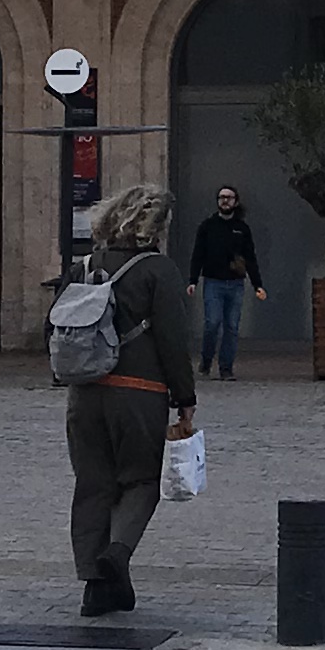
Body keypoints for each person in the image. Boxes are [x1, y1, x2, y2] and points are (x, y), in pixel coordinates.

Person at [67, 182, 196, 617]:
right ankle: (117, 554)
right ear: (156, 225)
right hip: (139, 393)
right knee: (141, 480)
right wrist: (185, 397)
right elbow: (173, 341)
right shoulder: (159, 270)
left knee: (92, 485)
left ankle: (94, 587)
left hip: (85, 394)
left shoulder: (84, 265)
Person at [189, 183, 267, 381]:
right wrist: (193, 280)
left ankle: (226, 368)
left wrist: (258, 284)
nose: (225, 200)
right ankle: (206, 359)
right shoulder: (207, 226)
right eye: (222, 197)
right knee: (212, 323)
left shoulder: (242, 229)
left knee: (231, 327)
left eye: (229, 197)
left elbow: (250, 257)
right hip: (213, 282)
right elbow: (198, 254)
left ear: (236, 201)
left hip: (235, 284)